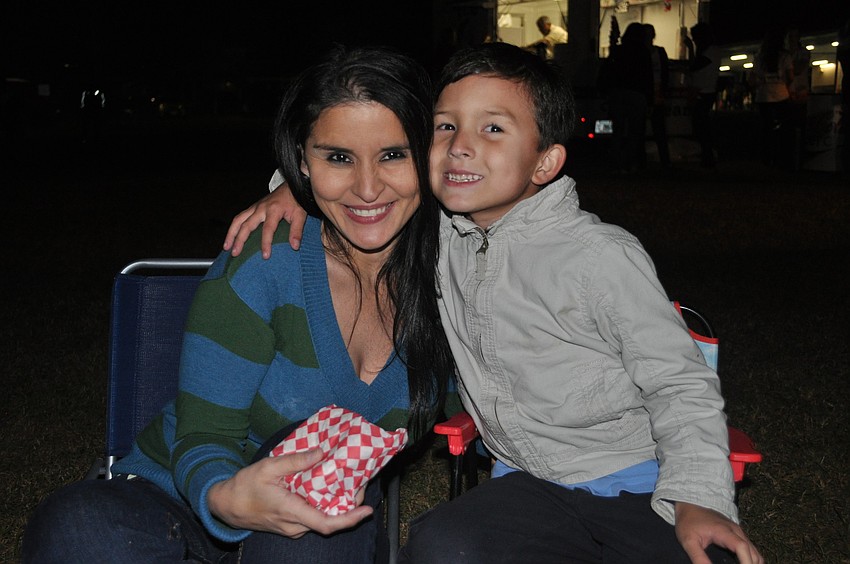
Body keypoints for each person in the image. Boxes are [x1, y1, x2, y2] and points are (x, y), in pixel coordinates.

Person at [224, 43, 763, 564]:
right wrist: (291, 188)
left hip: (638, 480)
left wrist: (698, 497)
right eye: (445, 125)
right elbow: (357, 183)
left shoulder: (599, 257)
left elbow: (679, 382)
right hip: (528, 483)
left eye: (493, 128)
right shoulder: (436, 234)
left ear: (545, 162)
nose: (461, 144)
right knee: (443, 546)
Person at [22, 45, 457, 564]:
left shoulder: (455, 276)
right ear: (301, 160)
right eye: (337, 157)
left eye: (393, 154)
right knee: (77, 525)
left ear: (430, 154)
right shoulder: (270, 258)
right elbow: (204, 433)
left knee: (311, 528)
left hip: (313, 524)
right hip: (177, 501)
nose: (367, 188)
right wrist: (223, 496)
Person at [599, 22, 654, 173]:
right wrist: (650, 100)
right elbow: (648, 77)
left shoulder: (619, 50)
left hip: (618, 93)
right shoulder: (643, 52)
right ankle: (630, 163)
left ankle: (616, 163)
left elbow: (607, 70)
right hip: (637, 94)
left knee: (617, 130)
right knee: (634, 132)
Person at [750, 27, 794, 167]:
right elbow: (791, 76)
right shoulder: (785, 56)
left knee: (766, 129)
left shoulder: (759, 57)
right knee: (784, 128)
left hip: (763, 96)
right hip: (781, 95)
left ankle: (766, 158)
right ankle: (782, 158)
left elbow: (752, 78)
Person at [683, 22, 720, 168]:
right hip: (704, 91)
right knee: (701, 125)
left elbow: (694, 66)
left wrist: (690, 48)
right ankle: (707, 156)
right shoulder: (711, 51)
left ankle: (708, 156)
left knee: (701, 126)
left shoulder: (711, 51)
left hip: (704, 92)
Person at [645, 23, 671, 168]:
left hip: (657, 93)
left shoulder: (659, 51)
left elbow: (665, 72)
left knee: (659, 127)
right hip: (650, 92)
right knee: (656, 127)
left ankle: (664, 160)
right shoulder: (647, 52)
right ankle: (663, 160)